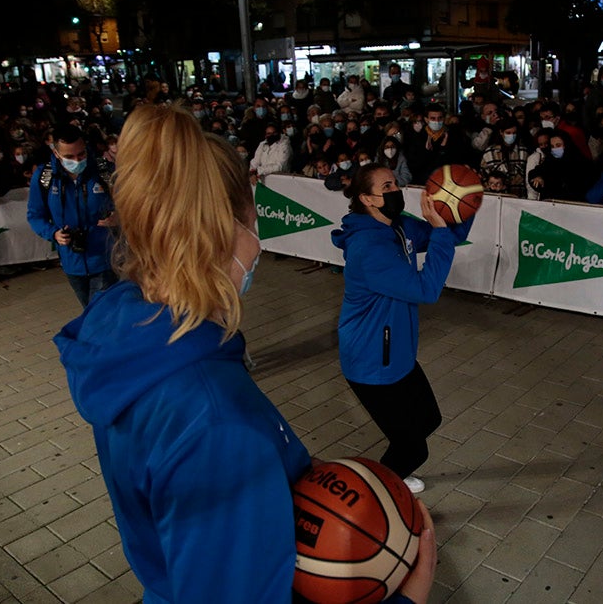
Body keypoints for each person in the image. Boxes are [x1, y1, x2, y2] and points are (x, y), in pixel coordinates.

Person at [53, 102, 438, 603]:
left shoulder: (130, 325)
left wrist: (285, 469)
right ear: (227, 228)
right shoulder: (216, 418)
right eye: (253, 213)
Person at [331, 164, 474, 493]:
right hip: (371, 363)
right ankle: (373, 498)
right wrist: (438, 232)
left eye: (395, 183)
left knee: (429, 420)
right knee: (412, 447)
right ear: (367, 198)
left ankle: (393, 474)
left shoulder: (396, 226)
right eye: (387, 186)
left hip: (396, 353)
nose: (396, 190)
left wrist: (463, 201)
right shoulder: (369, 249)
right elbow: (426, 290)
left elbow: (450, 233)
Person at [26, 125, 117, 308]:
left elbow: (133, 205)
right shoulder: (45, 177)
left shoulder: (105, 171)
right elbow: (35, 215)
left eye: (81, 154)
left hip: (105, 258)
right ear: (56, 153)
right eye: (69, 157)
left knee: (99, 312)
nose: (77, 160)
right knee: (89, 311)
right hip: (71, 260)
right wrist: (54, 234)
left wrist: (119, 217)